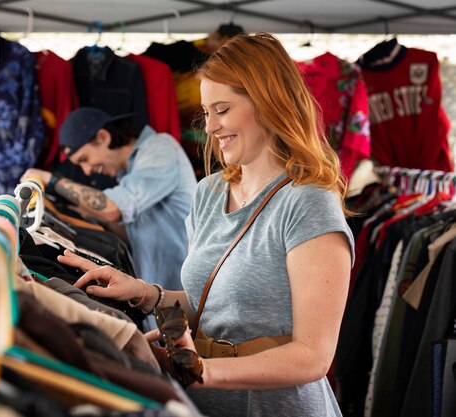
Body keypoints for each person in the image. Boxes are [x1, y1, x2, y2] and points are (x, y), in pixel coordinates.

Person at [58, 32, 354, 417]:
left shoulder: (307, 204)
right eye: (206, 112)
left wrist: (202, 371)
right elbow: (210, 306)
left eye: (223, 109)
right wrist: (144, 294)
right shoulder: (209, 192)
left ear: (267, 103)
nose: (210, 126)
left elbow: (312, 357)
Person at [21, 107, 196, 291]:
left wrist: (52, 180)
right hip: (159, 287)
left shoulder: (160, 148)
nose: (87, 170)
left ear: (103, 137)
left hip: (184, 290)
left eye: (84, 159)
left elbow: (114, 209)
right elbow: (130, 234)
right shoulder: (129, 173)